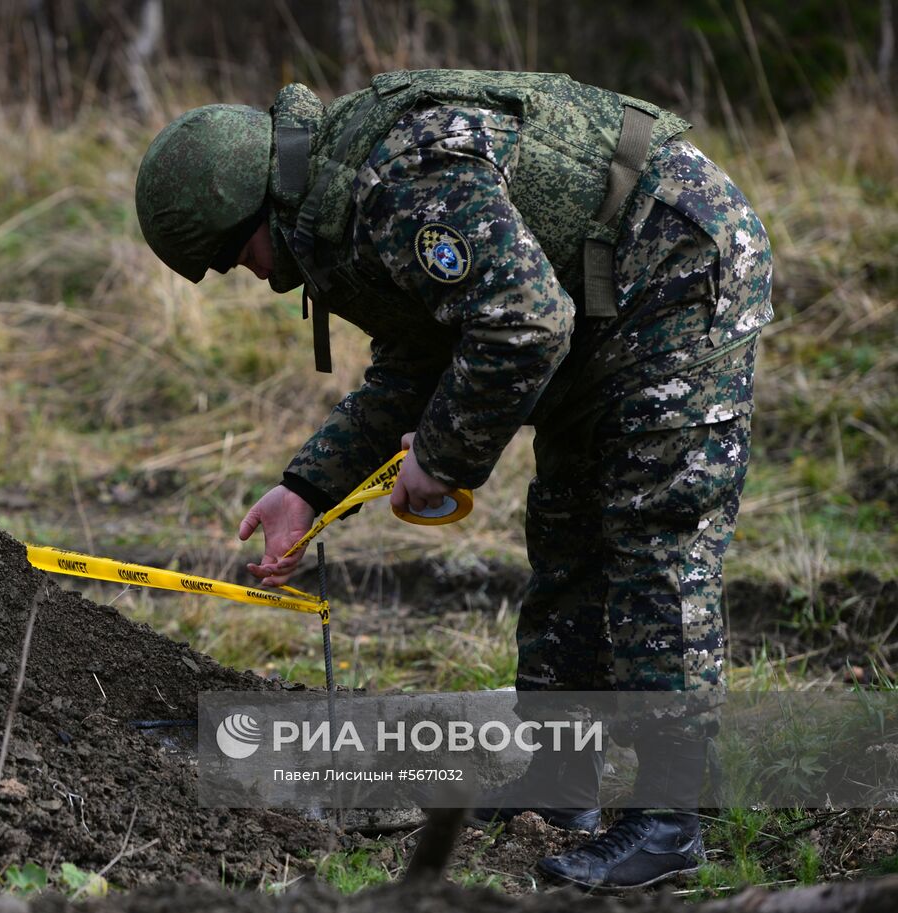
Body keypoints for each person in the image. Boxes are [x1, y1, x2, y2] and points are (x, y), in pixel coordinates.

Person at [134, 69, 771, 890]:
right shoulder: (337, 206)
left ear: (249, 212)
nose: (250, 276)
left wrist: (441, 456)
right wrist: (308, 487)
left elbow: (523, 322)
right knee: (568, 537)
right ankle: (557, 783)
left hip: (677, 269)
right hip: (597, 297)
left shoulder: (395, 182)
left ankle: (670, 820)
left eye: (234, 258)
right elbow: (417, 353)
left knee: (654, 541)